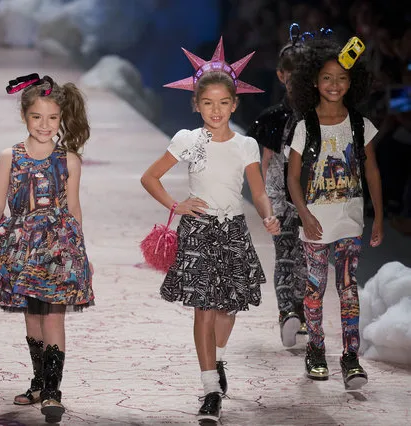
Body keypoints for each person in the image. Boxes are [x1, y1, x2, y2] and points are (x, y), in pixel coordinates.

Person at [140, 39, 280, 422]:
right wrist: (176, 204)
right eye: (207, 103)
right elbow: (150, 177)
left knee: (227, 310)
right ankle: (209, 389)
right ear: (196, 105)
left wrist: (267, 215)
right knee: (203, 308)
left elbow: (259, 191)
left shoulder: (246, 145)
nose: (215, 110)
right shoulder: (188, 140)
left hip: (233, 232)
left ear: (234, 104)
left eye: (223, 103)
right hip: (199, 232)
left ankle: (216, 361)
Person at [0, 73, 94, 424]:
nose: (45, 124)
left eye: (53, 118)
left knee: (53, 314)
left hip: (58, 247)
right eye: (37, 117)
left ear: (62, 119)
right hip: (21, 245)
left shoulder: (69, 160)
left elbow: (73, 208)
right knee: (32, 314)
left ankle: (53, 390)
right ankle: (39, 380)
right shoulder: (11, 156)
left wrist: (79, 251)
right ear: (25, 116)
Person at [287, 35, 383, 390]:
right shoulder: (306, 126)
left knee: (348, 289)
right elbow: (292, 176)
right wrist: (304, 213)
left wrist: (379, 217)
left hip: (350, 221)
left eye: (342, 77)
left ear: (351, 81)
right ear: (314, 81)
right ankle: (315, 349)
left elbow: (372, 171)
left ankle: (350, 357)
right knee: (315, 290)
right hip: (314, 224)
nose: (334, 84)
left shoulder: (360, 125)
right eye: (327, 77)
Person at [247, 24, 308, 347]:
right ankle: (288, 313)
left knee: (306, 259)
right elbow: (266, 163)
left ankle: (298, 309)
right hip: (282, 199)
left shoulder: (324, 117)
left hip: (315, 198)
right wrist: (266, 206)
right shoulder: (272, 119)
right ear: (282, 76)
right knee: (286, 255)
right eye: (292, 73)